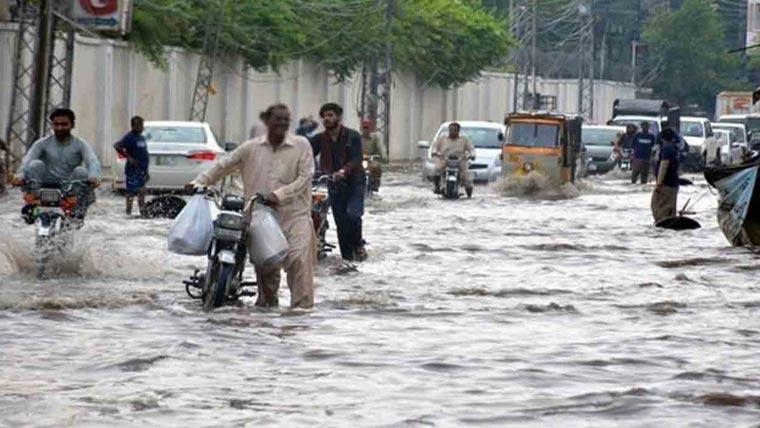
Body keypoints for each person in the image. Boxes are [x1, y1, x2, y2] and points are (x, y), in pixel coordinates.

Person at [190, 104, 316, 309]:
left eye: (286, 119)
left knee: (299, 262)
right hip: (259, 217)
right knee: (267, 270)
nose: (282, 123)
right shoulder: (251, 148)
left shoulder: (302, 145)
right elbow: (224, 165)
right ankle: (267, 315)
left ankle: (299, 318)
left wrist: (279, 195)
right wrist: (200, 182)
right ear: (267, 121)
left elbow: (305, 177)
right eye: (277, 119)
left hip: (295, 216)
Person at [11, 108, 101, 219]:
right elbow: (27, 160)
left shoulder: (80, 144)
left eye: (64, 124)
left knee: (81, 171)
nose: (60, 128)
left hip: (68, 188)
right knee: (35, 164)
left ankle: (73, 209)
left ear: (72, 125)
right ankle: (33, 203)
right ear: (52, 125)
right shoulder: (42, 143)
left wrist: (94, 177)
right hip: (44, 188)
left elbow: (93, 161)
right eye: (56, 124)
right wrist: (19, 176)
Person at [309, 102, 367, 262]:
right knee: (340, 222)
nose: (327, 119)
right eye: (324, 116)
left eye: (330, 115)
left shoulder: (352, 136)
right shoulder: (320, 139)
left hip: (355, 183)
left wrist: (343, 171)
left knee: (353, 214)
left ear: (338, 117)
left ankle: (358, 245)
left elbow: (357, 159)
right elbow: (305, 153)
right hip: (334, 185)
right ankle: (347, 260)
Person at [114, 116, 149, 216]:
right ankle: (128, 213)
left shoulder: (141, 137)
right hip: (133, 170)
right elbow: (117, 146)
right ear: (134, 126)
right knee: (131, 192)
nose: (142, 128)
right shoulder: (129, 137)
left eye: (142, 125)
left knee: (142, 192)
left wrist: (146, 172)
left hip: (142, 170)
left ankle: (142, 213)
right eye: (140, 125)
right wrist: (128, 157)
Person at [430, 122, 475, 197]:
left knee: (466, 176)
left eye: (454, 130)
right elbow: (434, 147)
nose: (452, 132)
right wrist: (435, 153)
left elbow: (471, 149)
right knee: (437, 170)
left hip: (460, 160)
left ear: (458, 131)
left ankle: (469, 194)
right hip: (445, 159)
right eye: (451, 130)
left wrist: (471, 155)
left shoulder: (464, 139)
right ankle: (437, 187)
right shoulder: (442, 138)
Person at [651, 128, 680, 223]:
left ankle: (661, 222)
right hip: (674, 183)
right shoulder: (674, 149)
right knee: (670, 206)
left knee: (656, 204)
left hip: (665, 184)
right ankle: (670, 222)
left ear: (662, 138)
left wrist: (659, 183)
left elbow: (664, 166)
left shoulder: (666, 149)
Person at [360, 118, 387, 192]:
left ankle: (375, 187)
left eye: (367, 127)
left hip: (372, 159)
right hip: (360, 159)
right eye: (364, 127)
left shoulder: (375, 137)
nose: (366, 129)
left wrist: (383, 155)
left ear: (370, 128)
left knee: (376, 167)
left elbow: (381, 147)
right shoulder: (358, 137)